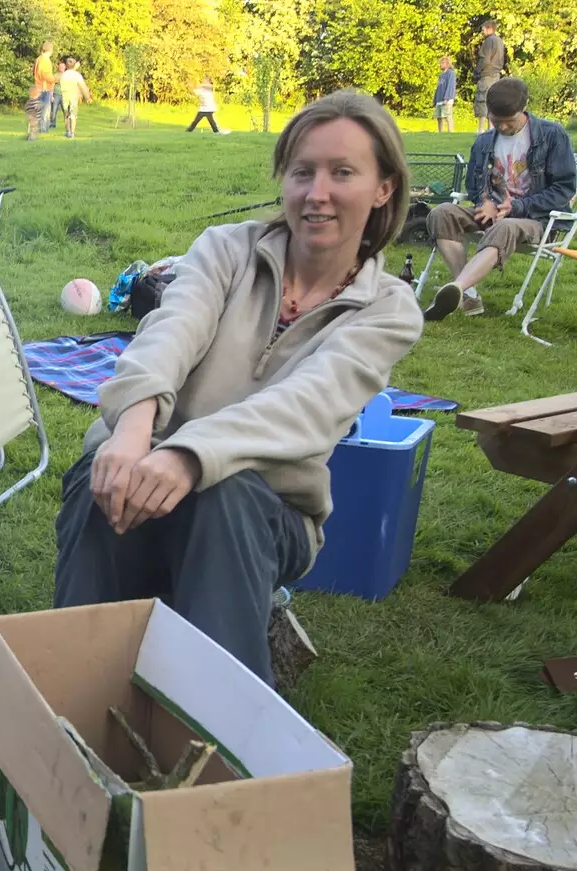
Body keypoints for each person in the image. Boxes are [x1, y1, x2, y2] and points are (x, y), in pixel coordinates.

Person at [51, 90, 423, 686]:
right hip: (149, 465)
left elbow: (306, 407)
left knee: (227, 499)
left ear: (384, 188)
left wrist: (188, 455)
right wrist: (133, 426)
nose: (316, 193)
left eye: (342, 173)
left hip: (270, 509)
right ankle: (72, 699)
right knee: (106, 473)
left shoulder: (387, 310)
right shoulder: (227, 249)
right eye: (302, 172)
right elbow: (169, 333)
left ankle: (219, 742)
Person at [421, 78, 575, 322]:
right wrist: (484, 202)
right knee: (441, 212)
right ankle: (468, 294)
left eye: (509, 122)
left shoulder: (552, 135)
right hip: (492, 214)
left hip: (537, 219)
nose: (502, 128)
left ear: (523, 109)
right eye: (495, 121)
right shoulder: (484, 142)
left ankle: (457, 289)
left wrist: (518, 206)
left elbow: (564, 189)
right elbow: (473, 184)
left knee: (505, 226)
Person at [474, 19, 507, 133]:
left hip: (487, 74)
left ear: (490, 29)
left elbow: (485, 59)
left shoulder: (489, 41)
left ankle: (481, 129)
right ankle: (491, 129)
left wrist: (477, 71)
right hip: (496, 74)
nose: (482, 31)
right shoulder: (499, 41)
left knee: (482, 99)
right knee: (492, 101)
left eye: (484, 29)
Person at [58, 57, 92, 140]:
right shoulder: (77, 75)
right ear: (74, 65)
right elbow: (83, 87)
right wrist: (87, 97)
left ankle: (68, 131)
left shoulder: (63, 75)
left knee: (66, 115)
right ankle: (72, 132)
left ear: (66, 65)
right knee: (73, 115)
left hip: (64, 97)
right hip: (73, 97)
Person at [33, 42, 57, 135]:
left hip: (38, 87)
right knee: (45, 110)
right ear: (50, 50)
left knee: (40, 110)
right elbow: (46, 75)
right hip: (44, 88)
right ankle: (43, 130)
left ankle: (40, 128)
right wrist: (55, 79)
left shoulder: (38, 59)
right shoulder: (45, 60)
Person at [434, 55, 457, 133]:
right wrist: (435, 100)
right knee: (439, 117)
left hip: (447, 99)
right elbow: (438, 88)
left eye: (442, 63)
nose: (440, 64)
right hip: (439, 99)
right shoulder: (441, 75)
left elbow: (451, 86)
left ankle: (450, 132)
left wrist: (447, 98)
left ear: (447, 64)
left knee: (447, 116)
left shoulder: (451, 73)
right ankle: (440, 132)